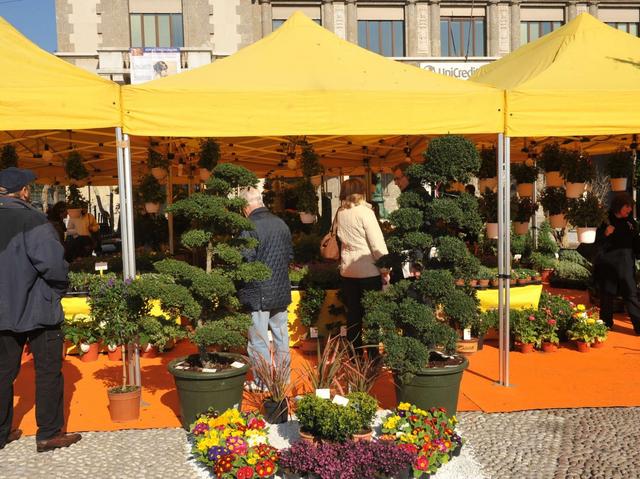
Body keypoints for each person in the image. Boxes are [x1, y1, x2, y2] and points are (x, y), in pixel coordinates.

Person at [0, 168, 82, 452]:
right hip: (39, 308)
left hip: (3, 309)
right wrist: (58, 290)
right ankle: (48, 433)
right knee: (48, 371)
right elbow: (54, 265)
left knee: (1, 372)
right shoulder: (33, 220)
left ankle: (0, 432)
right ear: (23, 191)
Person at [237, 187, 293, 391]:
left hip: (257, 293)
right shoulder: (281, 223)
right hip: (280, 290)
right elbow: (289, 256)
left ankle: (263, 382)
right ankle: (283, 379)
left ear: (245, 206)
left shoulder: (249, 226)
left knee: (258, 342)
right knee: (281, 338)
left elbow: (245, 260)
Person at [336, 179, 389, 349]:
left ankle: (354, 356)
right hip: (368, 271)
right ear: (361, 192)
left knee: (353, 315)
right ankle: (373, 357)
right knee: (372, 316)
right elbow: (377, 244)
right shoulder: (365, 213)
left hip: (348, 271)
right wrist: (385, 268)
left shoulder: (341, 213)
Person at [594, 192, 640, 335]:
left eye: (630, 208)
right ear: (619, 206)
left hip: (626, 263)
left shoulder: (631, 223)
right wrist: (605, 233)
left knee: (631, 295)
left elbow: (636, 244)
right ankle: (605, 324)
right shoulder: (605, 220)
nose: (630, 210)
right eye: (627, 207)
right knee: (607, 295)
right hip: (608, 264)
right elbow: (594, 241)